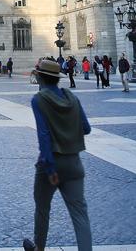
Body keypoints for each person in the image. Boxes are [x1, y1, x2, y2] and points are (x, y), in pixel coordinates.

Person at [22, 59, 93, 251]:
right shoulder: (72, 98)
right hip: (74, 163)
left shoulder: (39, 100)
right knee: (80, 215)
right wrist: (68, 130)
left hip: (50, 165)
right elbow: (86, 129)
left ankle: (39, 248)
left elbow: (43, 136)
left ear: (40, 78)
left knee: (43, 209)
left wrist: (50, 167)